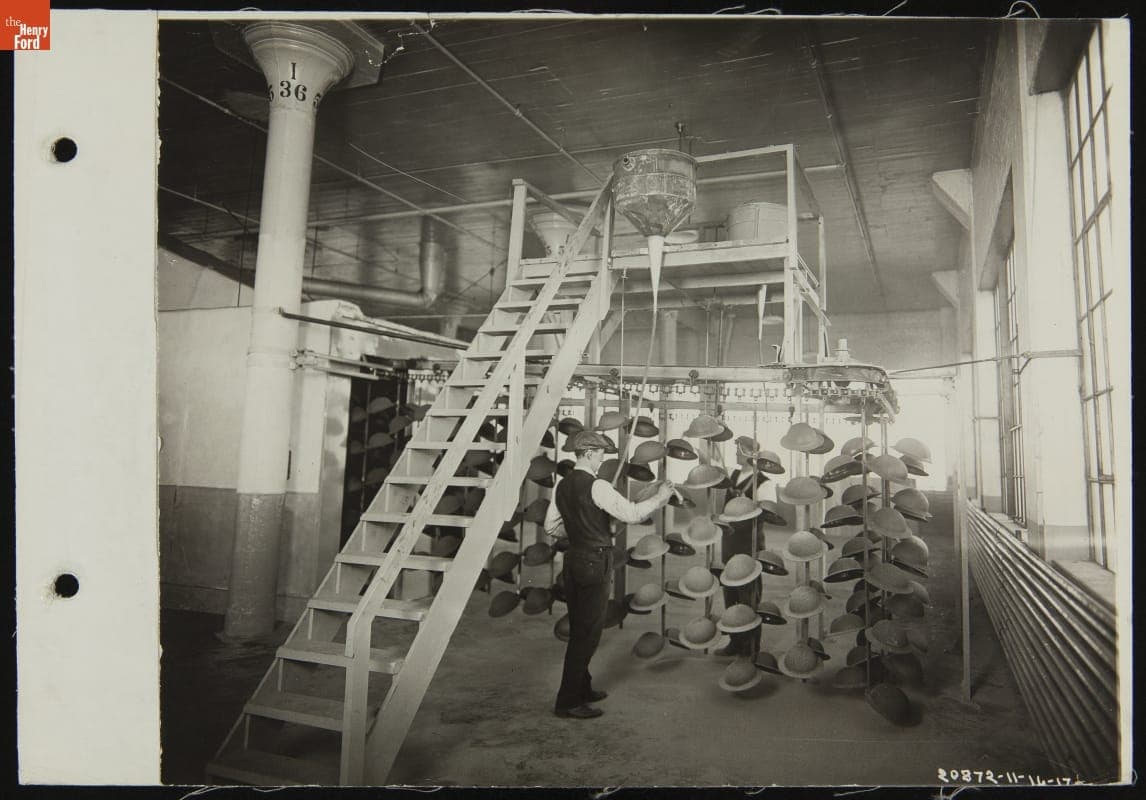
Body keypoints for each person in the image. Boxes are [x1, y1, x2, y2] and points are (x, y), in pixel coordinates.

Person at [543, 430, 675, 719]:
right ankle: (567, 702)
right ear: (588, 453)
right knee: (587, 635)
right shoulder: (598, 486)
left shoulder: (562, 485)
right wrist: (661, 498)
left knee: (581, 628)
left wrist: (583, 530)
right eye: (600, 453)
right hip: (594, 562)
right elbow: (632, 514)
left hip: (574, 561)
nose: (602, 458)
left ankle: (582, 688)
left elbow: (551, 527)